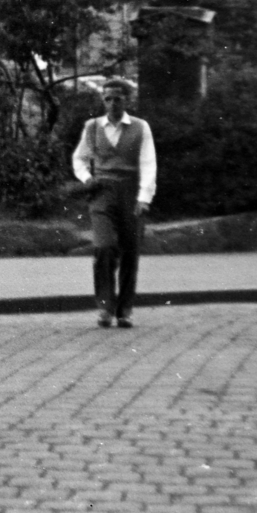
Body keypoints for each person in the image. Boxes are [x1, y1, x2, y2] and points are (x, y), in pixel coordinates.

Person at [71, 77, 156, 329]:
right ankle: (105, 307)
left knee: (130, 250)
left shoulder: (140, 127)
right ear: (103, 100)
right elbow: (79, 158)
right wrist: (87, 178)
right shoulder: (92, 127)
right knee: (104, 246)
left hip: (130, 192)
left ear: (126, 100)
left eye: (117, 99)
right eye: (107, 99)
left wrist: (144, 198)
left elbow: (148, 164)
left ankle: (125, 310)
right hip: (102, 192)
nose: (112, 103)